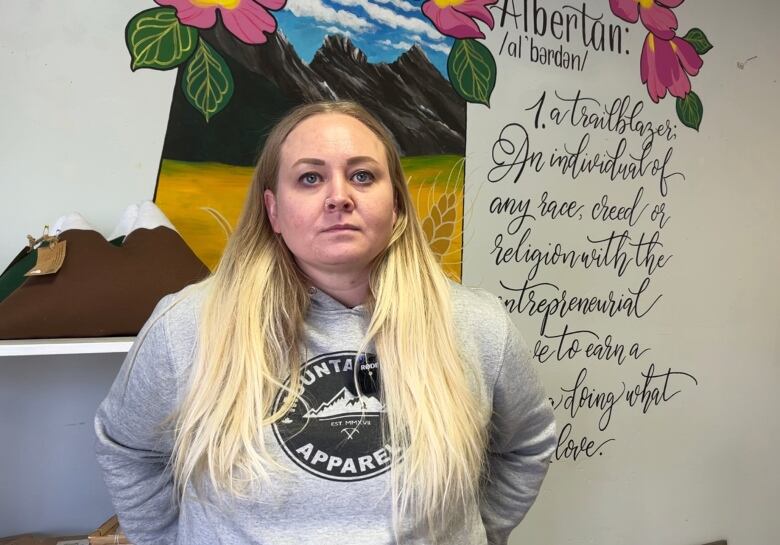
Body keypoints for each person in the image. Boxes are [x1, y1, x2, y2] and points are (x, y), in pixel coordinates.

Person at [95, 101, 556, 545]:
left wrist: (470, 534)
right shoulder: (187, 326)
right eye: (310, 178)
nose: (339, 197)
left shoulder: (478, 326)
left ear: (395, 204)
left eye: (362, 175)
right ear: (273, 211)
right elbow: (128, 450)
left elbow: (526, 445)